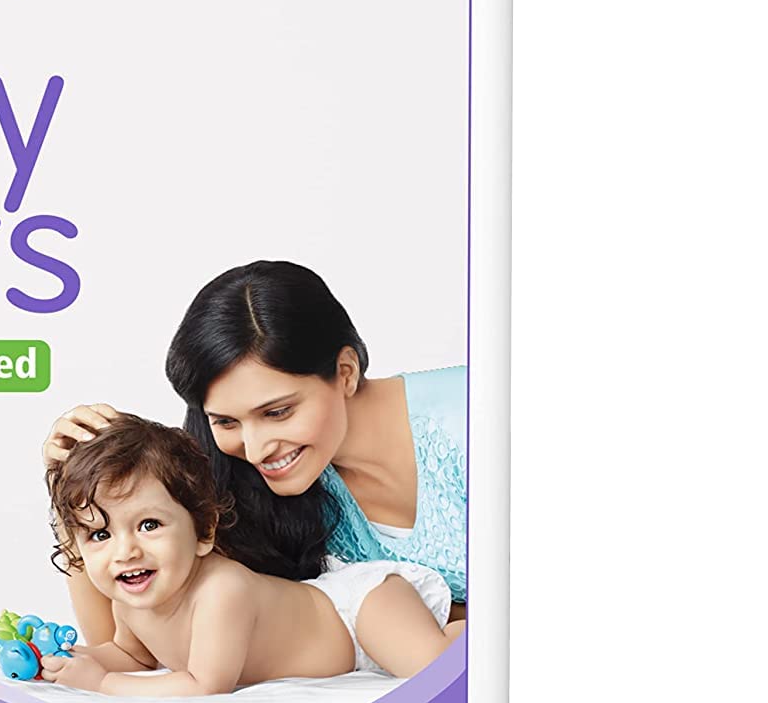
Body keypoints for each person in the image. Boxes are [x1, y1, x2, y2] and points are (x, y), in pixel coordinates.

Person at [43, 261, 466, 647]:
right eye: (227, 421)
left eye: (277, 412)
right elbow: (120, 645)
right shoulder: (256, 485)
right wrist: (72, 488)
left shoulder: (474, 420)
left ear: (345, 372)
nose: (257, 449)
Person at [39, 414, 459, 695]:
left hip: (358, 611)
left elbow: (204, 685)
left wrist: (102, 684)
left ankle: (479, 627)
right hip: (340, 619)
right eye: (100, 534)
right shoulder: (131, 600)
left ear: (204, 532)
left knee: (433, 668)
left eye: (149, 525)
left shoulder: (221, 590)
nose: (126, 551)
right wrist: (66, 661)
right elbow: (132, 655)